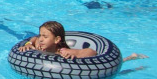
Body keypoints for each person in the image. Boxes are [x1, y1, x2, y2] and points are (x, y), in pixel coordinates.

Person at [18, 21, 148, 62]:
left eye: (45, 37)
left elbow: (91, 51)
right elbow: (34, 39)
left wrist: (71, 53)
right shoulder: (39, 46)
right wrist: (28, 44)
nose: (41, 39)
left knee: (118, 69)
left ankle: (131, 57)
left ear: (57, 40)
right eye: (41, 35)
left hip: (81, 67)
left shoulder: (63, 51)